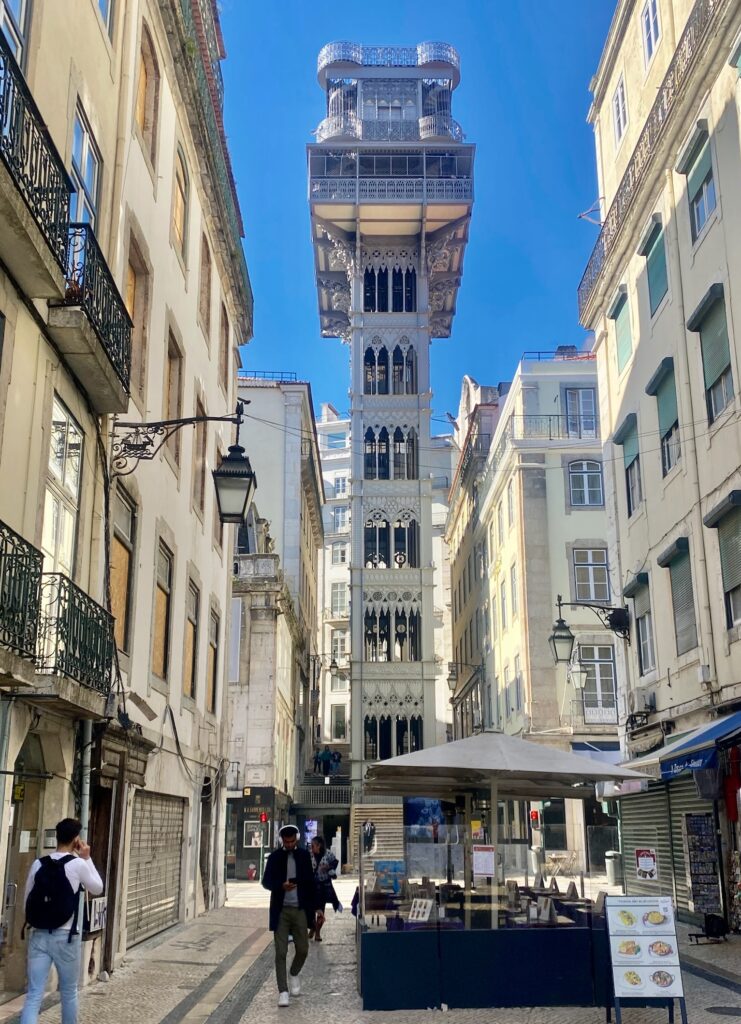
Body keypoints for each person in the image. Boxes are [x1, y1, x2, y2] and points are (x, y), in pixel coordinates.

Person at [20, 817, 103, 1024]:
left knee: (34, 995)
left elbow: (26, 902)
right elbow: (98, 888)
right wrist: (87, 858)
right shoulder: (77, 865)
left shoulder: (38, 864)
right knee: (68, 993)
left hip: (39, 935)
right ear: (76, 839)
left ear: (57, 837)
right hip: (66, 937)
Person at [262, 824, 316, 1007]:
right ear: (282, 841)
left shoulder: (303, 856)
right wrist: (281, 885)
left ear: (297, 839)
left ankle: (293, 973)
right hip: (281, 910)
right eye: (287, 842)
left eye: (293, 841)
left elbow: (310, 882)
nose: (290, 844)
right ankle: (283, 991)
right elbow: (266, 882)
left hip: (300, 909)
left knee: (303, 949)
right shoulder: (275, 857)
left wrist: (317, 908)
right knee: (280, 952)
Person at [308, 836, 342, 941]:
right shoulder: (309, 854)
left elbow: (335, 862)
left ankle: (317, 932)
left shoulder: (327, 854)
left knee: (321, 909)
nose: (311, 847)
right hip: (312, 885)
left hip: (324, 886)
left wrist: (328, 867)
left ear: (319, 845)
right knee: (311, 909)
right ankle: (313, 927)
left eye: (313, 845)